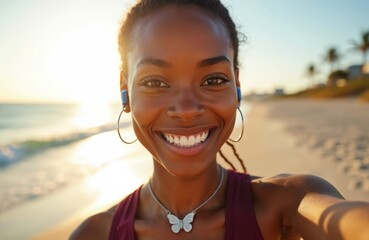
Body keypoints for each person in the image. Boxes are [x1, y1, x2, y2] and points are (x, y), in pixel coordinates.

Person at [70, 0, 369, 239]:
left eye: (213, 79)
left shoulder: (287, 204)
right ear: (125, 90)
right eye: (155, 82)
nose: (186, 109)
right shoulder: (95, 233)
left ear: (236, 86)